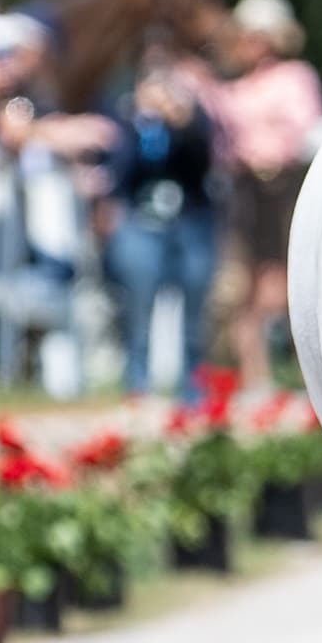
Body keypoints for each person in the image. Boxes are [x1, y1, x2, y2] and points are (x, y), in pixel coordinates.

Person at [213, 0, 322, 391]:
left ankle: (303, 377)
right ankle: (256, 377)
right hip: (245, 190)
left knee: (292, 279)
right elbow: (222, 144)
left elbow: (306, 128)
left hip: (287, 186)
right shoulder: (229, 87)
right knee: (242, 282)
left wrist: (269, 143)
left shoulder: (296, 77)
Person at [101, 37, 223, 397]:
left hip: (191, 220)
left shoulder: (193, 116)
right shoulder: (125, 116)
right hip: (141, 220)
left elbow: (206, 162)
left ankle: (193, 386)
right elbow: (118, 173)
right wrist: (139, 124)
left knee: (195, 309)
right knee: (138, 303)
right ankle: (138, 383)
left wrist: (181, 123)